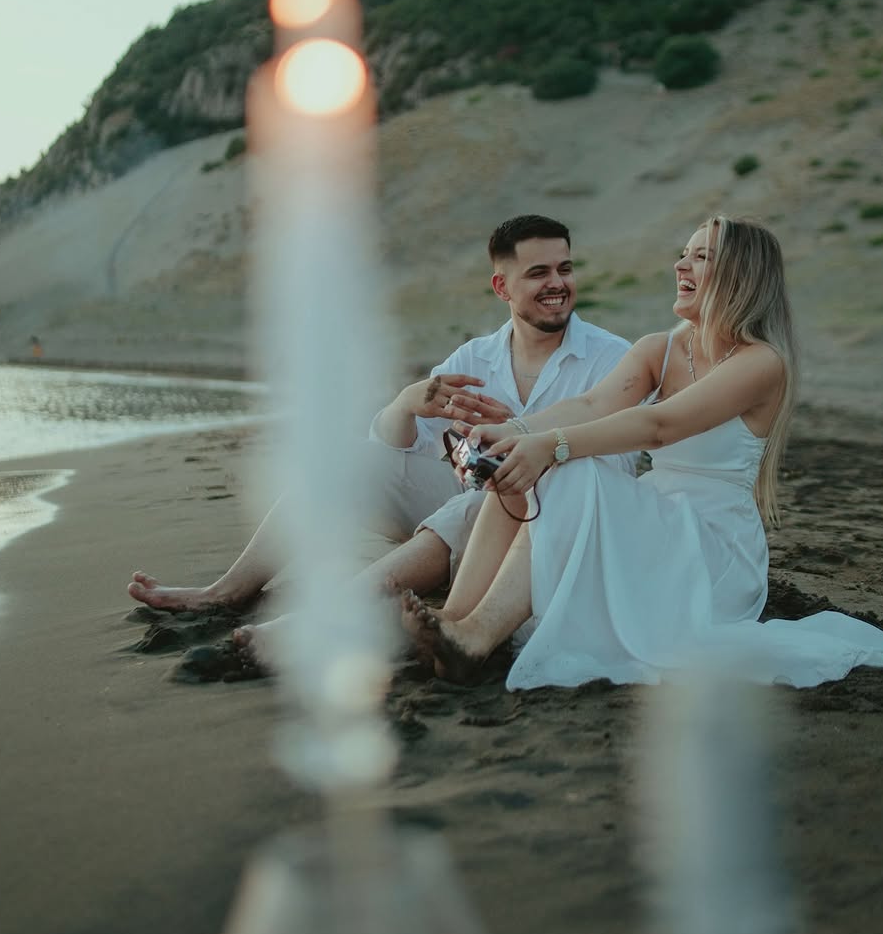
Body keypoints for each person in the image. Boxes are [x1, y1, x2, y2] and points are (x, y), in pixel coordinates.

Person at [401, 214, 883, 691]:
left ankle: (477, 635)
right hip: (655, 518)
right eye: (683, 254)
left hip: (711, 547)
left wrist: (548, 446)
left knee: (569, 468)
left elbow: (659, 426)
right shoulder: (660, 347)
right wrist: (512, 431)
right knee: (521, 470)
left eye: (700, 258)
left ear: (740, 277)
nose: (680, 267)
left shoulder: (761, 363)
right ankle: (456, 624)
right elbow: (592, 403)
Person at [126, 215, 632, 629]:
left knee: (479, 500)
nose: (558, 284)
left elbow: (621, 462)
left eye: (564, 269)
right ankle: (227, 591)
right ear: (502, 286)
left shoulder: (612, 358)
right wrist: (405, 406)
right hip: (457, 514)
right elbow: (397, 453)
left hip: (551, 525)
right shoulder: (474, 359)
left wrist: (526, 445)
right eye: (539, 273)